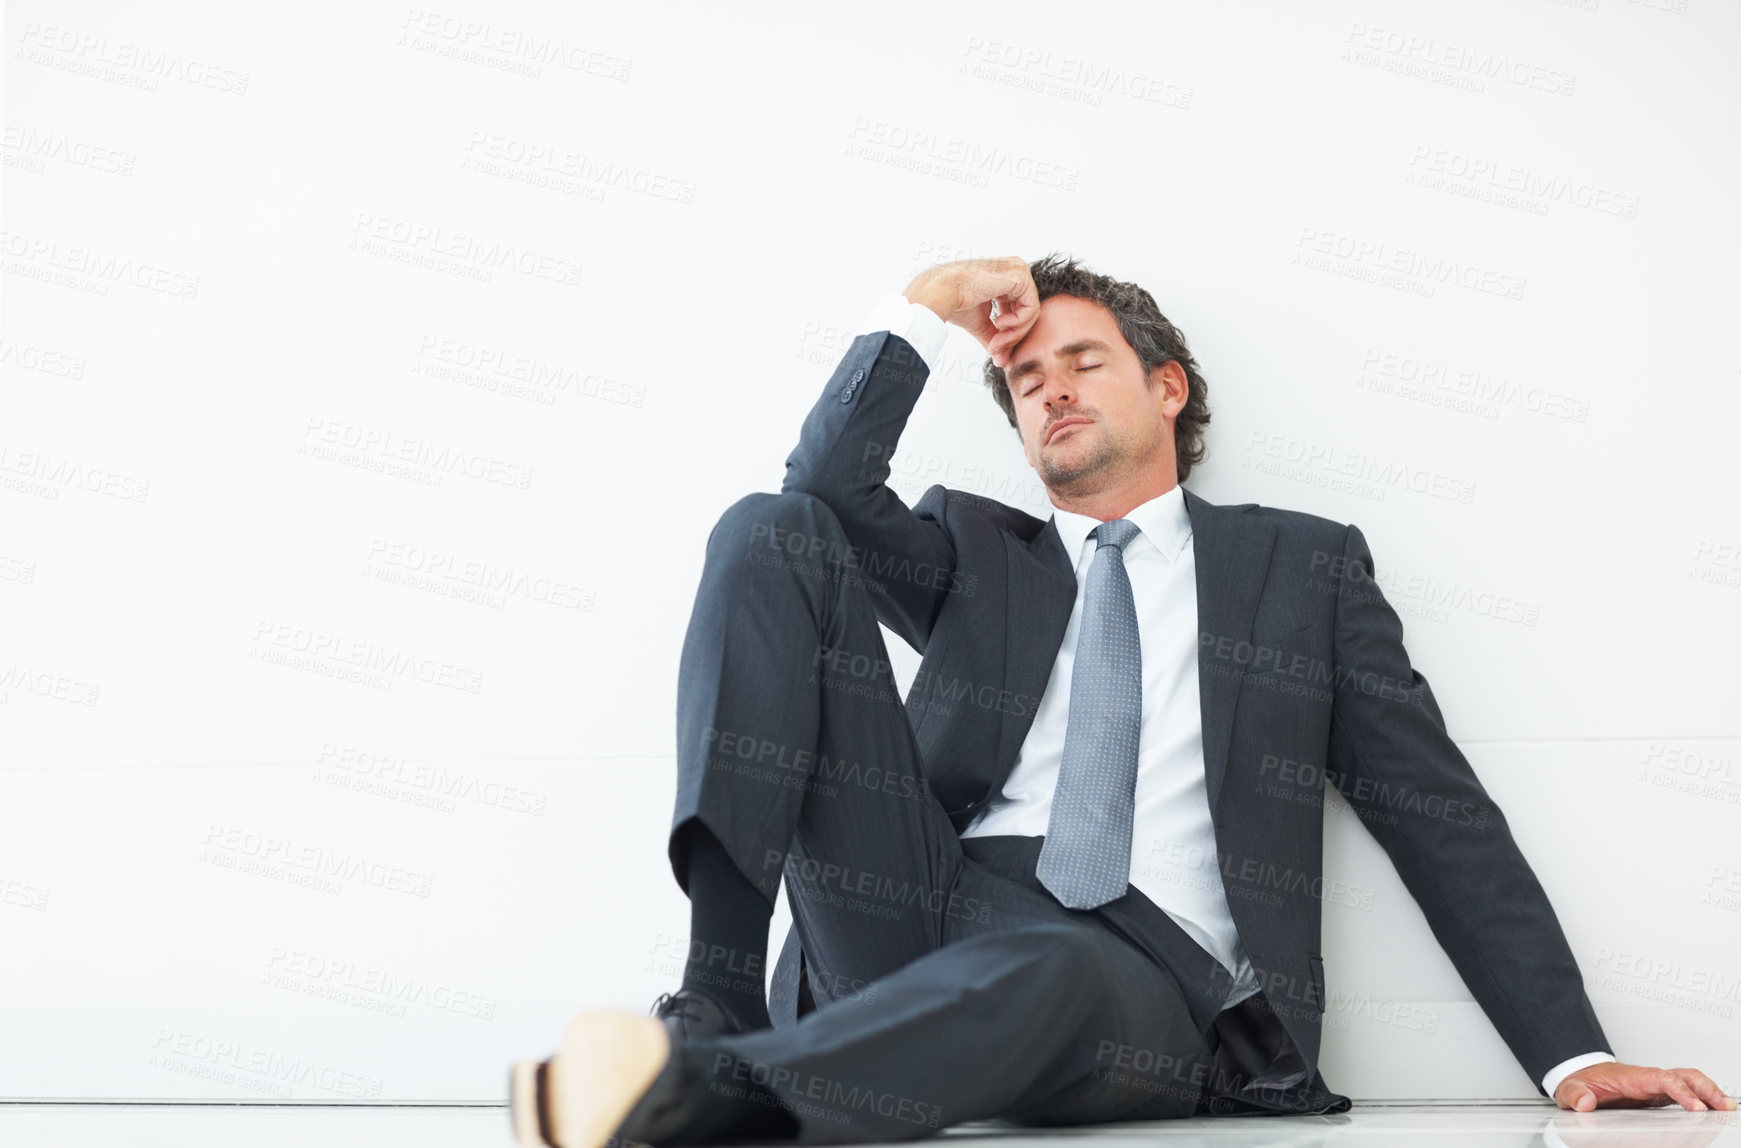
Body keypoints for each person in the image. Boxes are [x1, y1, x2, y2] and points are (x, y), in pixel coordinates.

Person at [509, 255, 1734, 1147]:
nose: (1048, 388)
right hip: (910, 897)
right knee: (768, 530)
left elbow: (1434, 808)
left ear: (1170, 387)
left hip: (1145, 978)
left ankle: (718, 1107)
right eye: (1025, 378)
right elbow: (823, 482)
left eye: (1081, 360)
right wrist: (926, 310)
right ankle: (714, 998)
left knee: (1047, 966)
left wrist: (1572, 1052)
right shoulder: (973, 549)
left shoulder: (1299, 568)